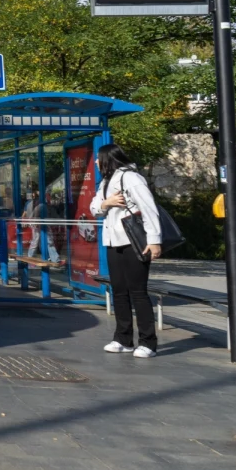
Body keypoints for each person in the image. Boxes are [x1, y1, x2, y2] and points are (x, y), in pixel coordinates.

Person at [89, 144, 163, 358]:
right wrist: (107, 202)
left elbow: (149, 208)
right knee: (119, 291)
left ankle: (148, 342)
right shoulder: (105, 182)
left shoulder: (131, 178)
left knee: (138, 291)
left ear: (108, 159)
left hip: (134, 241)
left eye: (98, 158)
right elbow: (94, 208)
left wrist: (154, 240)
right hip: (113, 241)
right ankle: (123, 338)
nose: (96, 162)